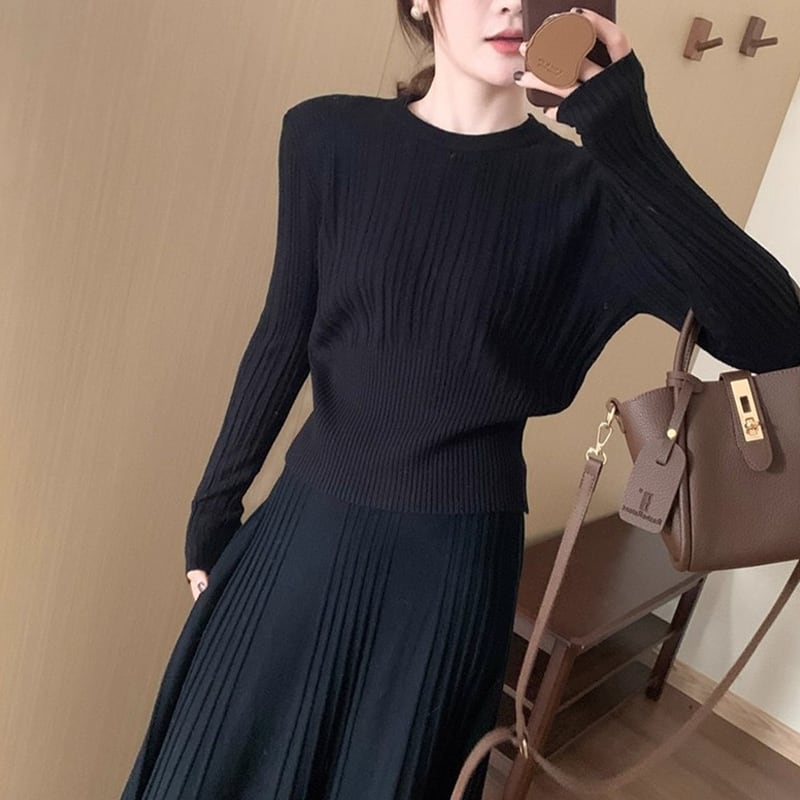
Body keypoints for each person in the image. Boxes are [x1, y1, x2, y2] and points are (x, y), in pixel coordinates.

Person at [120, 3, 800, 799]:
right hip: (300, 536)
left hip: (452, 573)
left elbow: (776, 338)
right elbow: (284, 331)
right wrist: (214, 507)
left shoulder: (591, 196)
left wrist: (625, 136)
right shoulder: (326, 137)